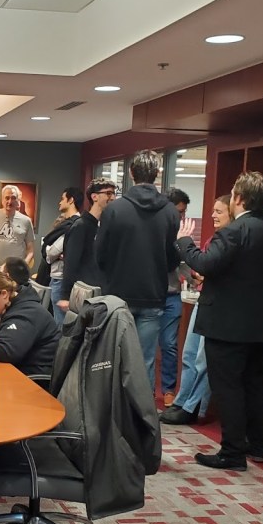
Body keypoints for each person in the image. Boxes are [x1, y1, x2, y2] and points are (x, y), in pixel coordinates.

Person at [176, 172, 263, 471]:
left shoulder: (234, 231)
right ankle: (258, 444)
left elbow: (205, 264)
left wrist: (184, 242)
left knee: (228, 386)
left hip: (227, 323)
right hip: (262, 321)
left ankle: (232, 451)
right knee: (255, 382)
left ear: (239, 199)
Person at [95, 150, 181, 389]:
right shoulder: (171, 211)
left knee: (113, 358)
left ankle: (114, 417)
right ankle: (143, 419)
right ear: (157, 174)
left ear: (131, 173)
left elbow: (100, 253)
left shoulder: (114, 210)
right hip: (153, 294)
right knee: (145, 361)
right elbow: (172, 258)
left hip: (117, 294)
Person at [161, 195, 232, 426]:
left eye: (219, 212)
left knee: (203, 359)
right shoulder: (215, 239)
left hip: (220, 306)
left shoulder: (231, 241)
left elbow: (207, 267)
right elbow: (203, 267)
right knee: (190, 354)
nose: (213, 215)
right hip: (205, 299)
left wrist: (186, 244)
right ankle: (182, 402)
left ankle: (192, 407)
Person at [56, 179, 115, 318]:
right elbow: (70, 262)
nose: (112, 197)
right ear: (94, 197)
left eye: (113, 193)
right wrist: (65, 295)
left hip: (99, 295)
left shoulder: (103, 226)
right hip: (83, 296)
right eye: (108, 193)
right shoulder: (81, 226)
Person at [159, 188, 191, 405]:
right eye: (179, 212)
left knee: (169, 344)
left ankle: (169, 390)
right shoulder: (155, 231)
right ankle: (144, 391)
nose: (181, 217)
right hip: (150, 295)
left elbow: (184, 263)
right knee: (145, 346)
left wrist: (194, 275)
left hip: (172, 295)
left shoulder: (180, 235)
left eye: (183, 213)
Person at [41, 187, 82, 326]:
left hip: (61, 279)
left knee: (61, 324)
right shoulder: (68, 224)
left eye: (63, 199)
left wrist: (46, 249)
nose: (59, 202)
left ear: (71, 200)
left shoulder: (74, 225)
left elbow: (51, 253)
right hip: (59, 277)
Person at [0, 184, 36, 268]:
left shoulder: (26, 221)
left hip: (15, 271)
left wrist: (23, 266)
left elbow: (30, 249)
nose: (10, 201)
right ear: (2, 200)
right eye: (7, 198)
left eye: (13, 198)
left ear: (18, 201)